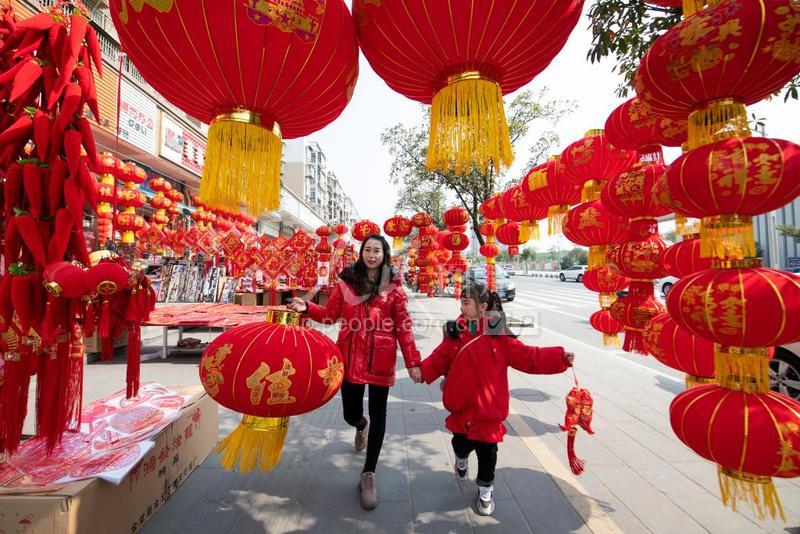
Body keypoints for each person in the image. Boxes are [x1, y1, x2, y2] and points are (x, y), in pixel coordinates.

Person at [287, 234, 422, 510]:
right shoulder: (346, 282)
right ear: (361, 253)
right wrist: (307, 307)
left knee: (379, 412)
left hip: (381, 359)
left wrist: (413, 362)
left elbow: (404, 326)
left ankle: (368, 474)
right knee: (350, 412)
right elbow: (331, 315)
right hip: (349, 357)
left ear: (385, 255)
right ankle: (361, 426)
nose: (372, 255)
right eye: (367, 250)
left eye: (377, 251)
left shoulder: (394, 288)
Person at [416, 282, 574, 516]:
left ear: (483, 306)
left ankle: (485, 489)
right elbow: (439, 358)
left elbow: (528, 357)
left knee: (488, 454)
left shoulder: (498, 334)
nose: (462, 307)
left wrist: (560, 358)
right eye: (461, 302)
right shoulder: (455, 332)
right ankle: (461, 459)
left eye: (467, 303)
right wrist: (421, 371)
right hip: (461, 408)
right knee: (459, 444)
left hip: (488, 411)